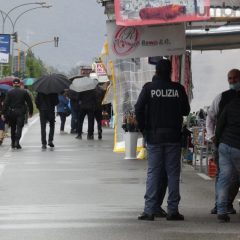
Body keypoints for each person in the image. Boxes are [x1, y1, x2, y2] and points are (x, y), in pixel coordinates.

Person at [135, 59, 190, 221]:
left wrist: (144, 128)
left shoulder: (149, 88)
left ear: (156, 72)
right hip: (173, 136)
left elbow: (138, 108)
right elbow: (186, 110)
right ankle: (173, 210)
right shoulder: (178, 89)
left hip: (154, 136)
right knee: (173, 174)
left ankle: (149, 210)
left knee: (153, 173)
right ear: (170, 72)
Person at [206, 69, 240, 215]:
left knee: (226, 177)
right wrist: (212, 135)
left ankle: (224, 205)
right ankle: (221, 204)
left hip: (224, 143)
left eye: (234, 78)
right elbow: (210, 117)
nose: (232, 81)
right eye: (229, 78)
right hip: (224, 142)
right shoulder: (221, 97)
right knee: (224, 175)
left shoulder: (225, 98)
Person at [215, 85, 240, 222]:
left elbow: (219, 125)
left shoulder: (229, 105)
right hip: (238, 147)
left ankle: (221, 211)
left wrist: (218, 142)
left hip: (225, 146)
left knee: (224, 179)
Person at [1, 78, 33, 149]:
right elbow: (29, 102)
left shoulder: (9, 92)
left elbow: (6, 103)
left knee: (13, 127)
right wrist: (31, 112)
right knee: (19, 127)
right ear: (19, 84)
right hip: (21, 112)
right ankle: (17, 141)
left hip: (12, 112)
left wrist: (3, 113)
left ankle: (12, 143)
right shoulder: (24, 92)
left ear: (13, 84)